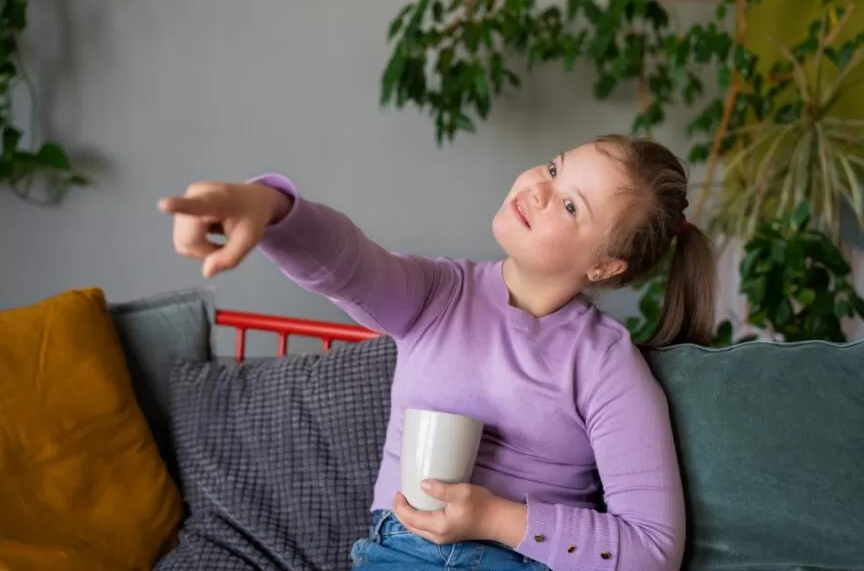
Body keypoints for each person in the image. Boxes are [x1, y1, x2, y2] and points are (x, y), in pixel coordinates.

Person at [158, 134, 716, 571]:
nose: (539, 189)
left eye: (570, 205)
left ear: (605, 266)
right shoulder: (438, 294)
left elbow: (651, 549)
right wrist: (270, 206)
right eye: (553, 167)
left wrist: (497, 519)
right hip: (397, 555)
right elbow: (350, 263)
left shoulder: (607, 366)